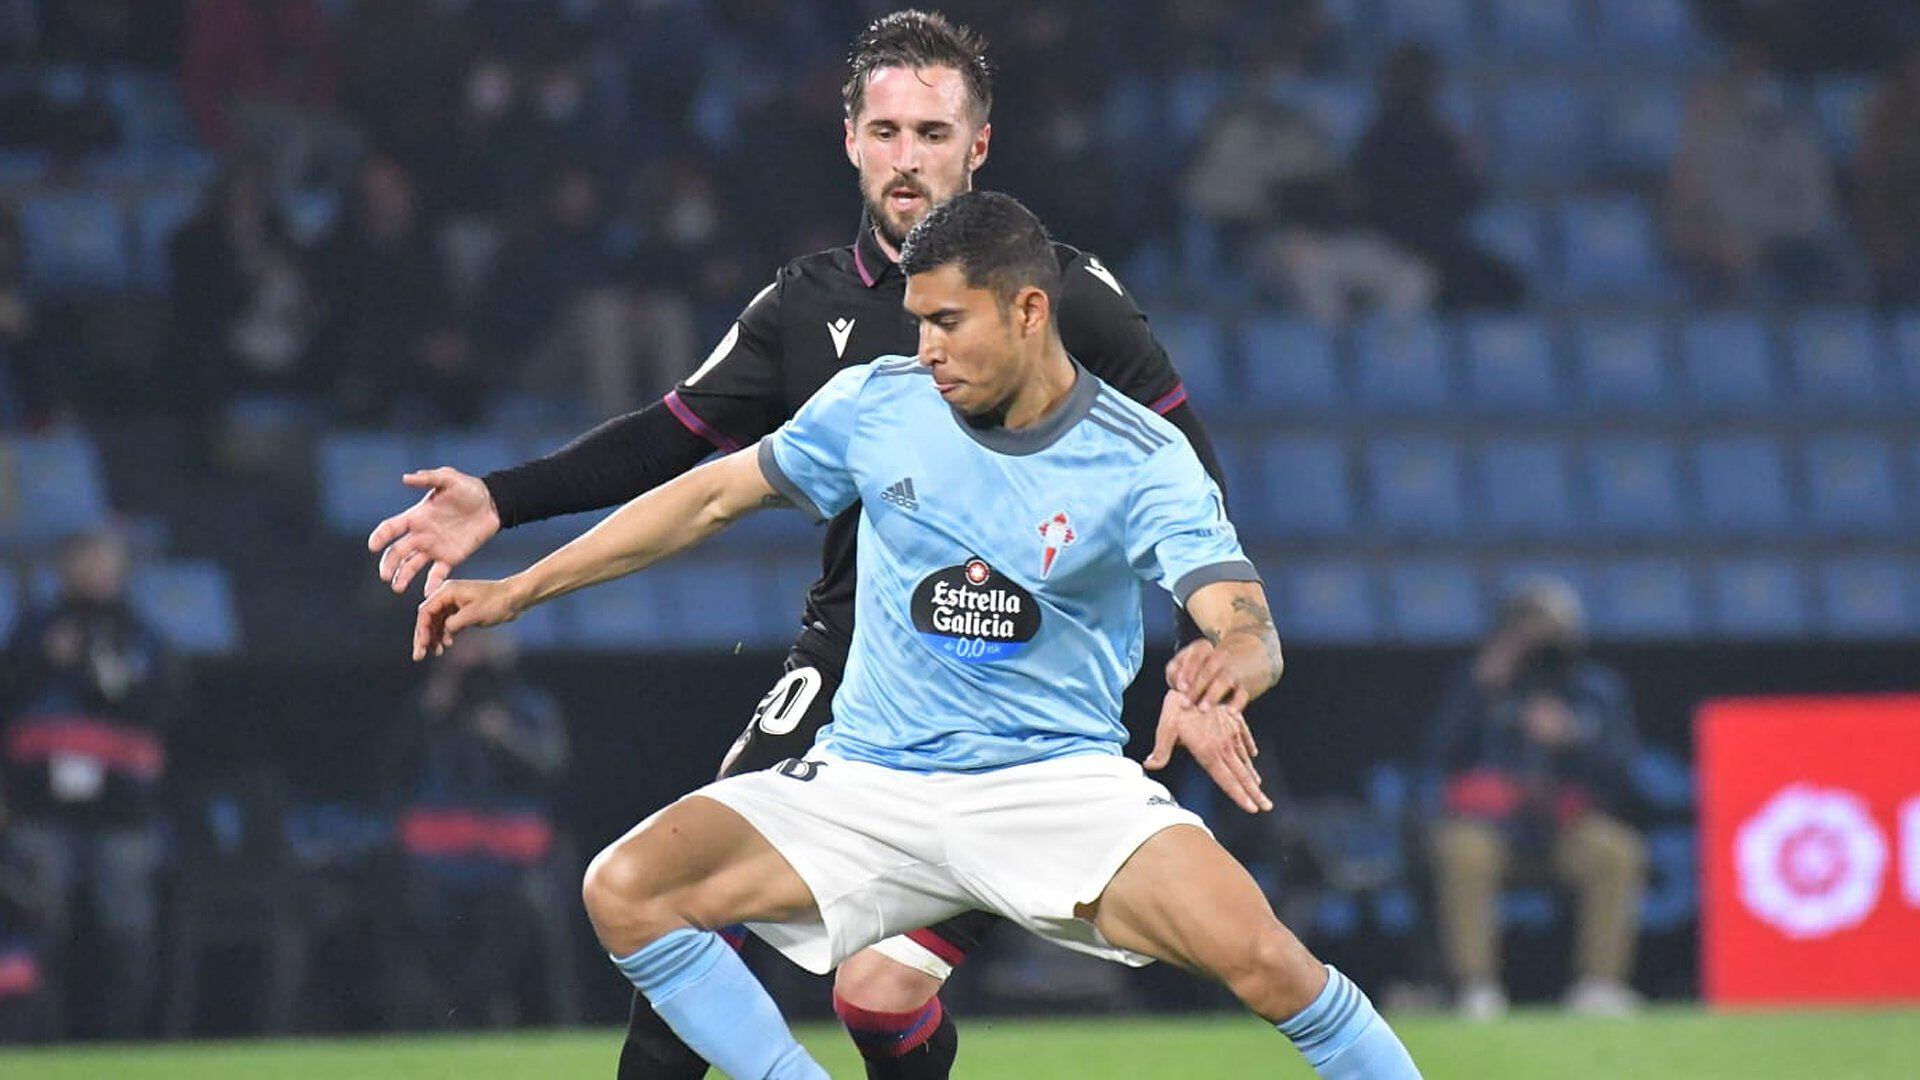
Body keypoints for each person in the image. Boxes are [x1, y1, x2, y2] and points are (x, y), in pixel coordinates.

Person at [367, 12, 1236, 1079]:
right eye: (886, 131)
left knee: (876, 994)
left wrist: (1209, 642)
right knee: (685, 936)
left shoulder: (1056, 292)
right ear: (850, 142)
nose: (907, 158)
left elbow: (1182, 471)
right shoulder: (804, 305)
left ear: (980, 146)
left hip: (1015, 690)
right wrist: (505, 497)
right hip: (850, 668)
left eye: (932, 131)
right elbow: (676, 437)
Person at [413, 190, 1422, 1080]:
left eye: (947, 322)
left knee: (1270, 963)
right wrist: (521, 589)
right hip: (868, 783)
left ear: (1030, 311)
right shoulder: (878, 404)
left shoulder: (1140, 455)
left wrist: (1228, 662)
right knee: (626, 889)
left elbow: (1242, 614)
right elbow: (712, 496)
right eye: (916, 322)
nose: (925, 347)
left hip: (1053, 787)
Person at [1423, 579, 1646, 1020]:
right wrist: (1480, 689)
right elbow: (1437, 756)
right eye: (1525, 626)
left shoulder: (1592, 689)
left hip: (1562, 828)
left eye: (1547, 627)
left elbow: (1623, 769)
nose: (1536, 639)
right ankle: (1475, 987)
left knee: (1616, 851)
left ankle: (1599, 987)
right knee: (1462, 850)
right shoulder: (1481, 682)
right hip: (1492, 829)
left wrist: (1572, 735)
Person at [1, 529, 177, 1038]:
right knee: (39, 930)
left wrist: (109, 680)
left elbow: (167, 711)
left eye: (101, 560)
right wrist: (44, 660)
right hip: (41, 809)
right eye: (81, 560)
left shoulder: (143, 637)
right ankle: (42, 1040)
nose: (92, 571)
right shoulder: (33, 633)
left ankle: (122, 1041)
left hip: (122, 812)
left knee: (126, 933)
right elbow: (8, 697)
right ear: (61, 568)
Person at [388, 630, 579, 1029]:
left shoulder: (527, 709)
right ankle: (450, 1012)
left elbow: (552, 769)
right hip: (441, 859)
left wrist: (503, 735)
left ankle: (503, 1006)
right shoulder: (432, 709)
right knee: (415, 908)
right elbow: (394, 773)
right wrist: (438, 698)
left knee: (524, 912)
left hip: (513, 859)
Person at [1664, 37, 1856, 304]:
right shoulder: (1707, 145)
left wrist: (1773, 238)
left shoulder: (1798, 141)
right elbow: (1685, 223)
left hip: (1788, 245)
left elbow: (1813, 208)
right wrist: (1728, 243)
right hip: (1726, 254)